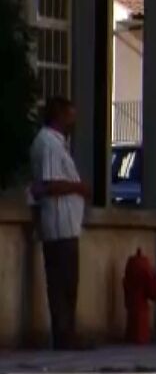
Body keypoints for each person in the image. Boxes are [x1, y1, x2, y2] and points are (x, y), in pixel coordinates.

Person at [29, 96, 91, 350]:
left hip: (67, 224)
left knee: (68, 283)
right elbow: (49, 183)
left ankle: (68, 332)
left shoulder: (57, 144)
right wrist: (79, 187)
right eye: (70, 115)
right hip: (58, 224)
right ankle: (63, 335)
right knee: (62, 283)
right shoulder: (48, 144)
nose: (73, 121)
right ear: (59, 116)